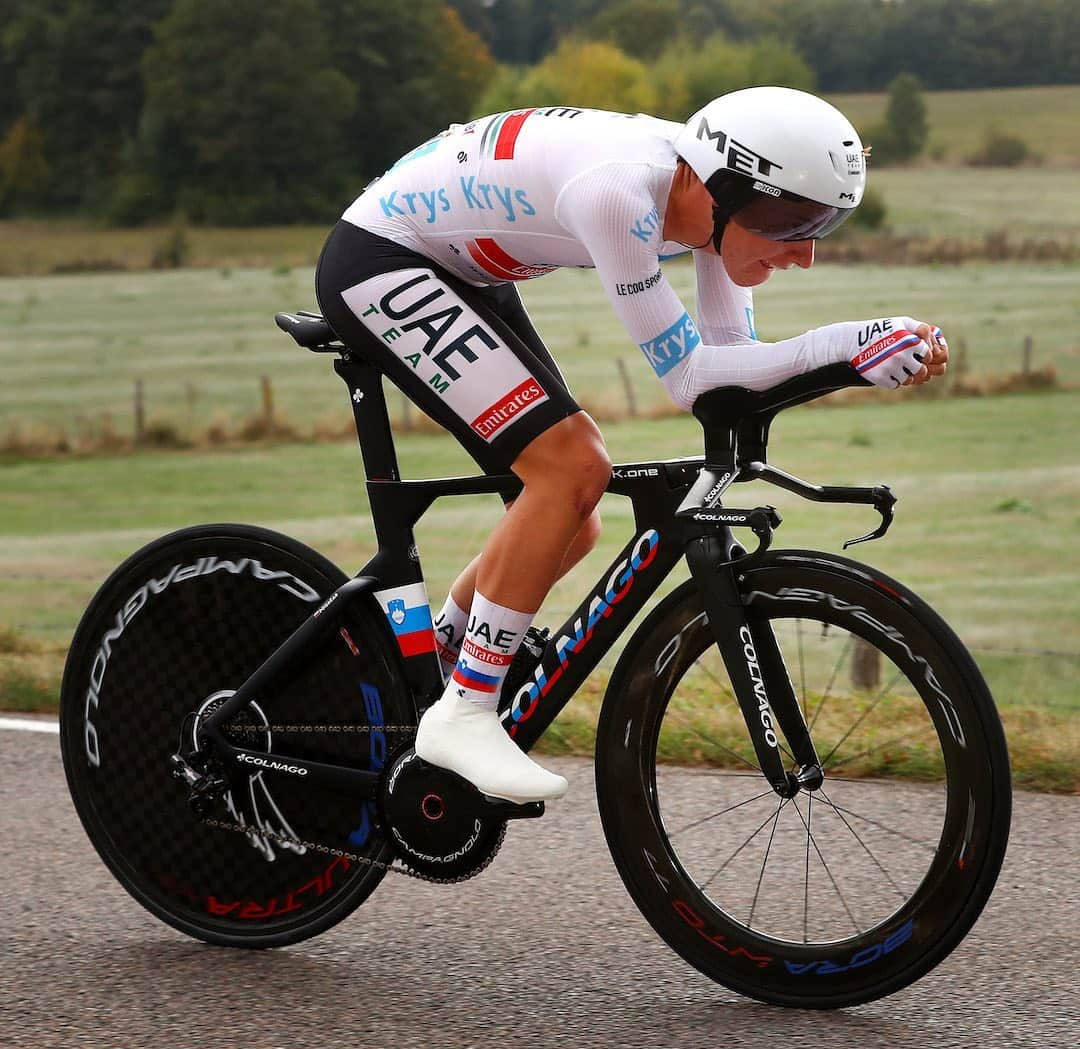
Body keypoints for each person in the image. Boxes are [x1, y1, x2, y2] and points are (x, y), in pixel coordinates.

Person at [314, 86, 948, 805]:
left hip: (466, 268)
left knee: (572, 518)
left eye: (825, 225)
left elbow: (731, 360)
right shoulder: (619, 194)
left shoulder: (706, 196)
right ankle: (464, 711)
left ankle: (436, 664)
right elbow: (690, 379)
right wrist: (848, 344)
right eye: (792, 221)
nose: (804, 253)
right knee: (571, 470)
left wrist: (859, 363)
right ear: (727, 190)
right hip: (384, 259)